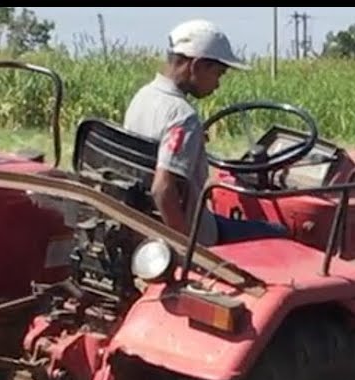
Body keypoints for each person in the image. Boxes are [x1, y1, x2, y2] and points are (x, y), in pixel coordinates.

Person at [123, 19, 288, 247]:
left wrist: (194, 143)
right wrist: (187, 250)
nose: (217, 84)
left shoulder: (143, 96)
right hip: (194, 234)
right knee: (280, 234)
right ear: (197, 66)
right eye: (218, 74)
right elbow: (162, 189)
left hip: (147, 222)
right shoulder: (183, 116)